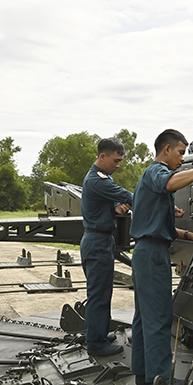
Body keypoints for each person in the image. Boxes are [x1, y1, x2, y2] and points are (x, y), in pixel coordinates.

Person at [130, 129, 193, 385]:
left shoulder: (150, 177)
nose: (182, 159)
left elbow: (155, 223)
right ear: (167, 150)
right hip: (152, 255)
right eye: (181, 153)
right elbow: (170, 182)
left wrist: (189, 235)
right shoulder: (157, 172)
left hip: (146, 251)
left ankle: (143, 373)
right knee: (159, 317)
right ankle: (162, 379)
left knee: (144, 317)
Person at [80, 137, 134, 356]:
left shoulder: (97, 179)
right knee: (99, 295)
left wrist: (115, 210)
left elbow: (110, 206)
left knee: (102, 292)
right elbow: (129, 196)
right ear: (102, 156)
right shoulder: (98, 180)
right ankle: (96, 344)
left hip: (100, 240)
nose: (118, 165)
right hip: (97, 242)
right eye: (116, 160)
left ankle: (99, 333)